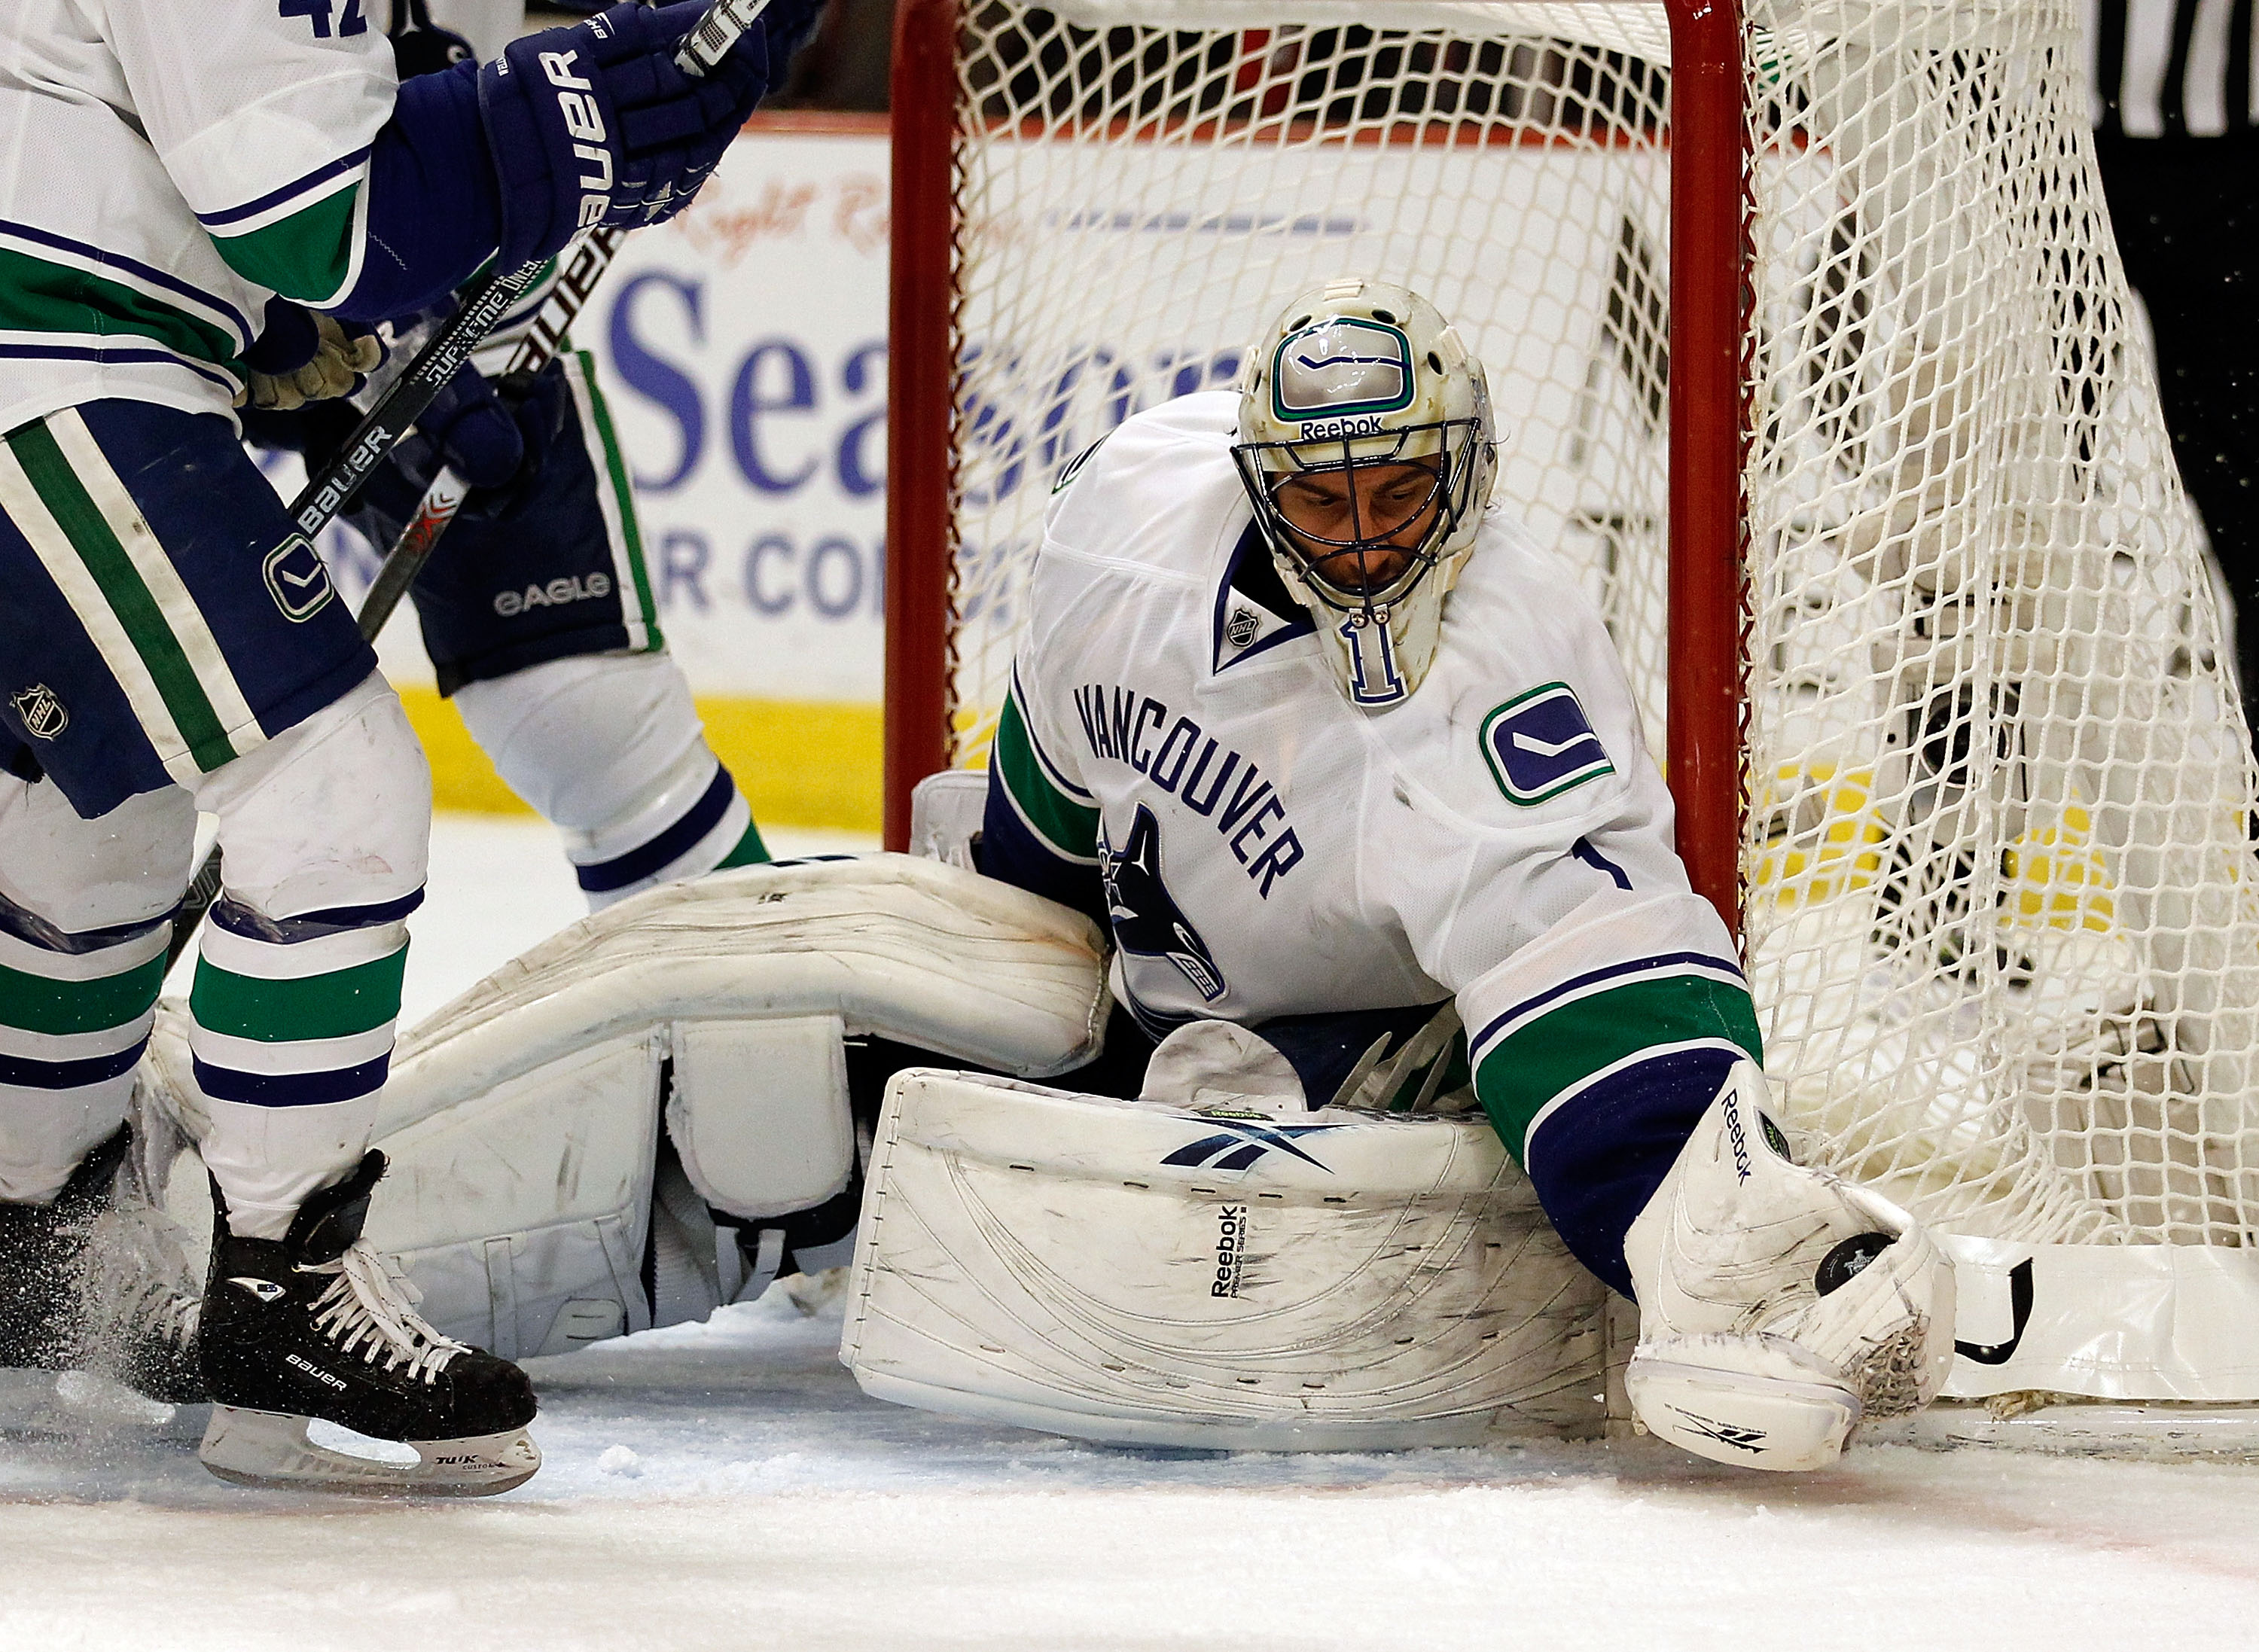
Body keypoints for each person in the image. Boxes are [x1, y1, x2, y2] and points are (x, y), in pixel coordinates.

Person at [956, 277, 1958, 1469]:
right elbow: (1052, 772)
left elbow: (1575, 946)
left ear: (1470, 466)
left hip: (1353, 1039)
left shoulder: (1501, 656)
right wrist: (1000, 984)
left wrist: (1720, 1242)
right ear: (1258, 487)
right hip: (1146, 1000)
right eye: (1322, 500)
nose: (1368, 543)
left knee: (1261, 1102)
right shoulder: (1123, 519)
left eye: (1399, 491)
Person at [0, 0, 783, 1492]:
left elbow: (302, 250)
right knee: (334, 780)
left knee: (110, 798)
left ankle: (24, 1242)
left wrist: (375, 365)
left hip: (97, 348)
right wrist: (557, 129)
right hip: (50, 360)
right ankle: (283, 1288)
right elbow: (315, 218)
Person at [243, 0, 784, 913]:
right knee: (85, 789)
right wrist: (392, 325)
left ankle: (753, 1036)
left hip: (440, 236)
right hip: (120, 287)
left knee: (585, 713)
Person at [2088, 0, 2257, 740]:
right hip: (2039, 144)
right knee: (2002, 502)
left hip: (2234, 172)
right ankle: (1953, 830)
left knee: (2252, 507)